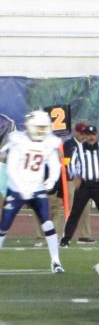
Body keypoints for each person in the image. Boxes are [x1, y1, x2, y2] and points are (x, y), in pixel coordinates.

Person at [0, 111, 64, 274]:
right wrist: (22, 188)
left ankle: (56, 261)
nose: (42, 131)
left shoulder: (48, 143)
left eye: (44, 127)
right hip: (17, 188)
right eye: (39, 127)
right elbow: (12, 168)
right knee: (4, 226)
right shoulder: (18, 141)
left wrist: (50, 180)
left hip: (37, 188)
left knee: (47, 223)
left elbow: (55, 165)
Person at [60, 125, 99, 248]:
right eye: (88, 135)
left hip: (98, 185)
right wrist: (75, 176)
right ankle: (65, 240)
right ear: (85, 136)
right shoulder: (79, 149)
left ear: (96, 135)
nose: (91, 137)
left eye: (93, 135)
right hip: (84, 185)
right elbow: (72, 164)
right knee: (75, 212)